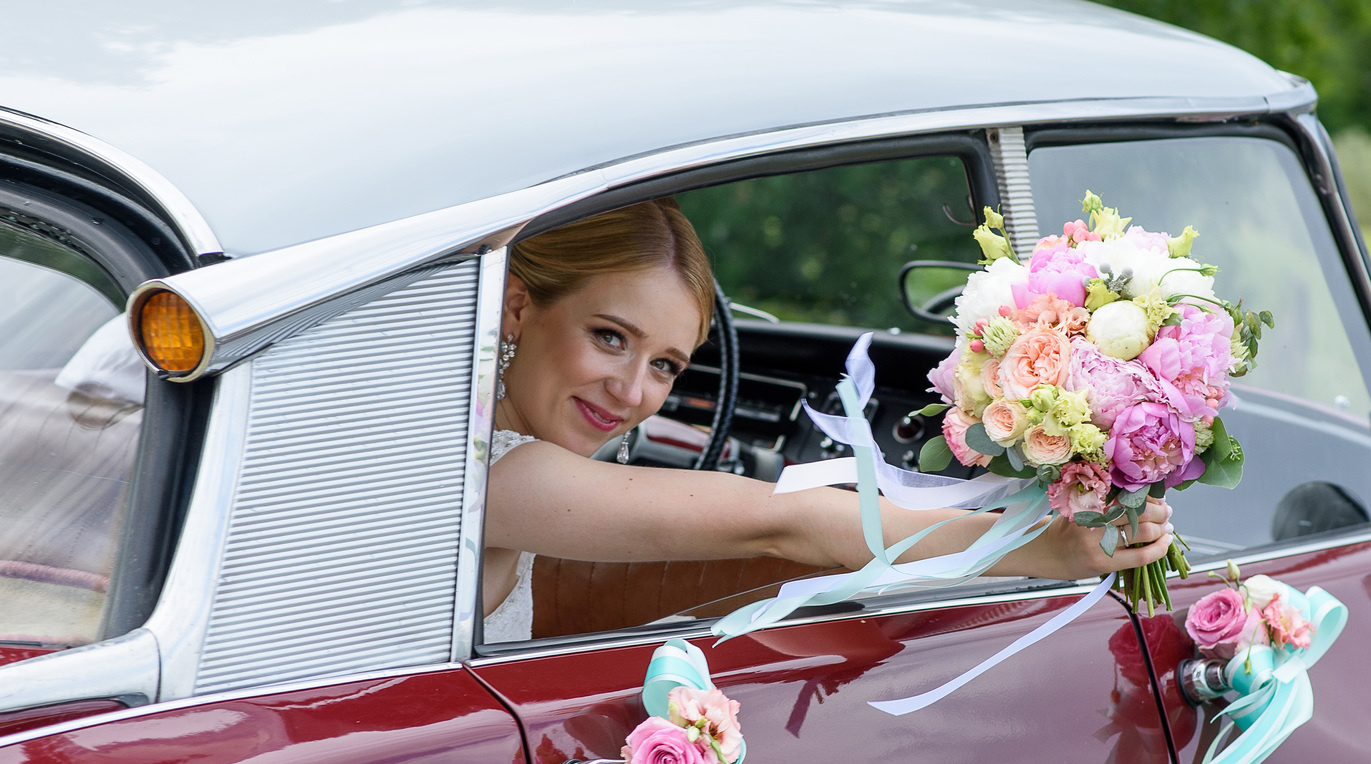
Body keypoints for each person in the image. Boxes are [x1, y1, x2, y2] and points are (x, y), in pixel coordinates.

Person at [480, 199, 1175, 641]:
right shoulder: (507, 477)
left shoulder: (485, 455)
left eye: (665, 364)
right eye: (608, 336)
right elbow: (791, 519)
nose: (631, 391)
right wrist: (1039, 550)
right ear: (515, 307)